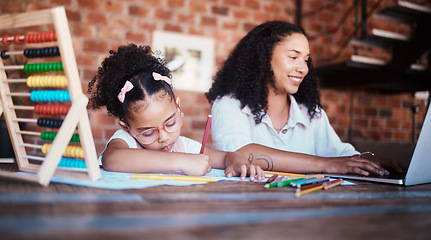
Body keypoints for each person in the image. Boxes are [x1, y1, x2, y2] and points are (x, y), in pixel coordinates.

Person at [206, 21, 406, 176]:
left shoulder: (311, 114)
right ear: (263, 59)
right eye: (293, 57)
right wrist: (323, 164)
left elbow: (338, 153)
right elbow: (238, 154)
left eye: (306, 59)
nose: (303, 68)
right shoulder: (229, 105)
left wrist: (370, 160)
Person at [87, 44, 264, 181]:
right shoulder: (125, 141)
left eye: (170, 123)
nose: (164, 137)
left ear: (178, 108)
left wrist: (237, 162)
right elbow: (112, 159)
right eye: (148, 132)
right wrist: (182, 161)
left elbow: (227, 156)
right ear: (127, 127)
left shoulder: (185, 147)